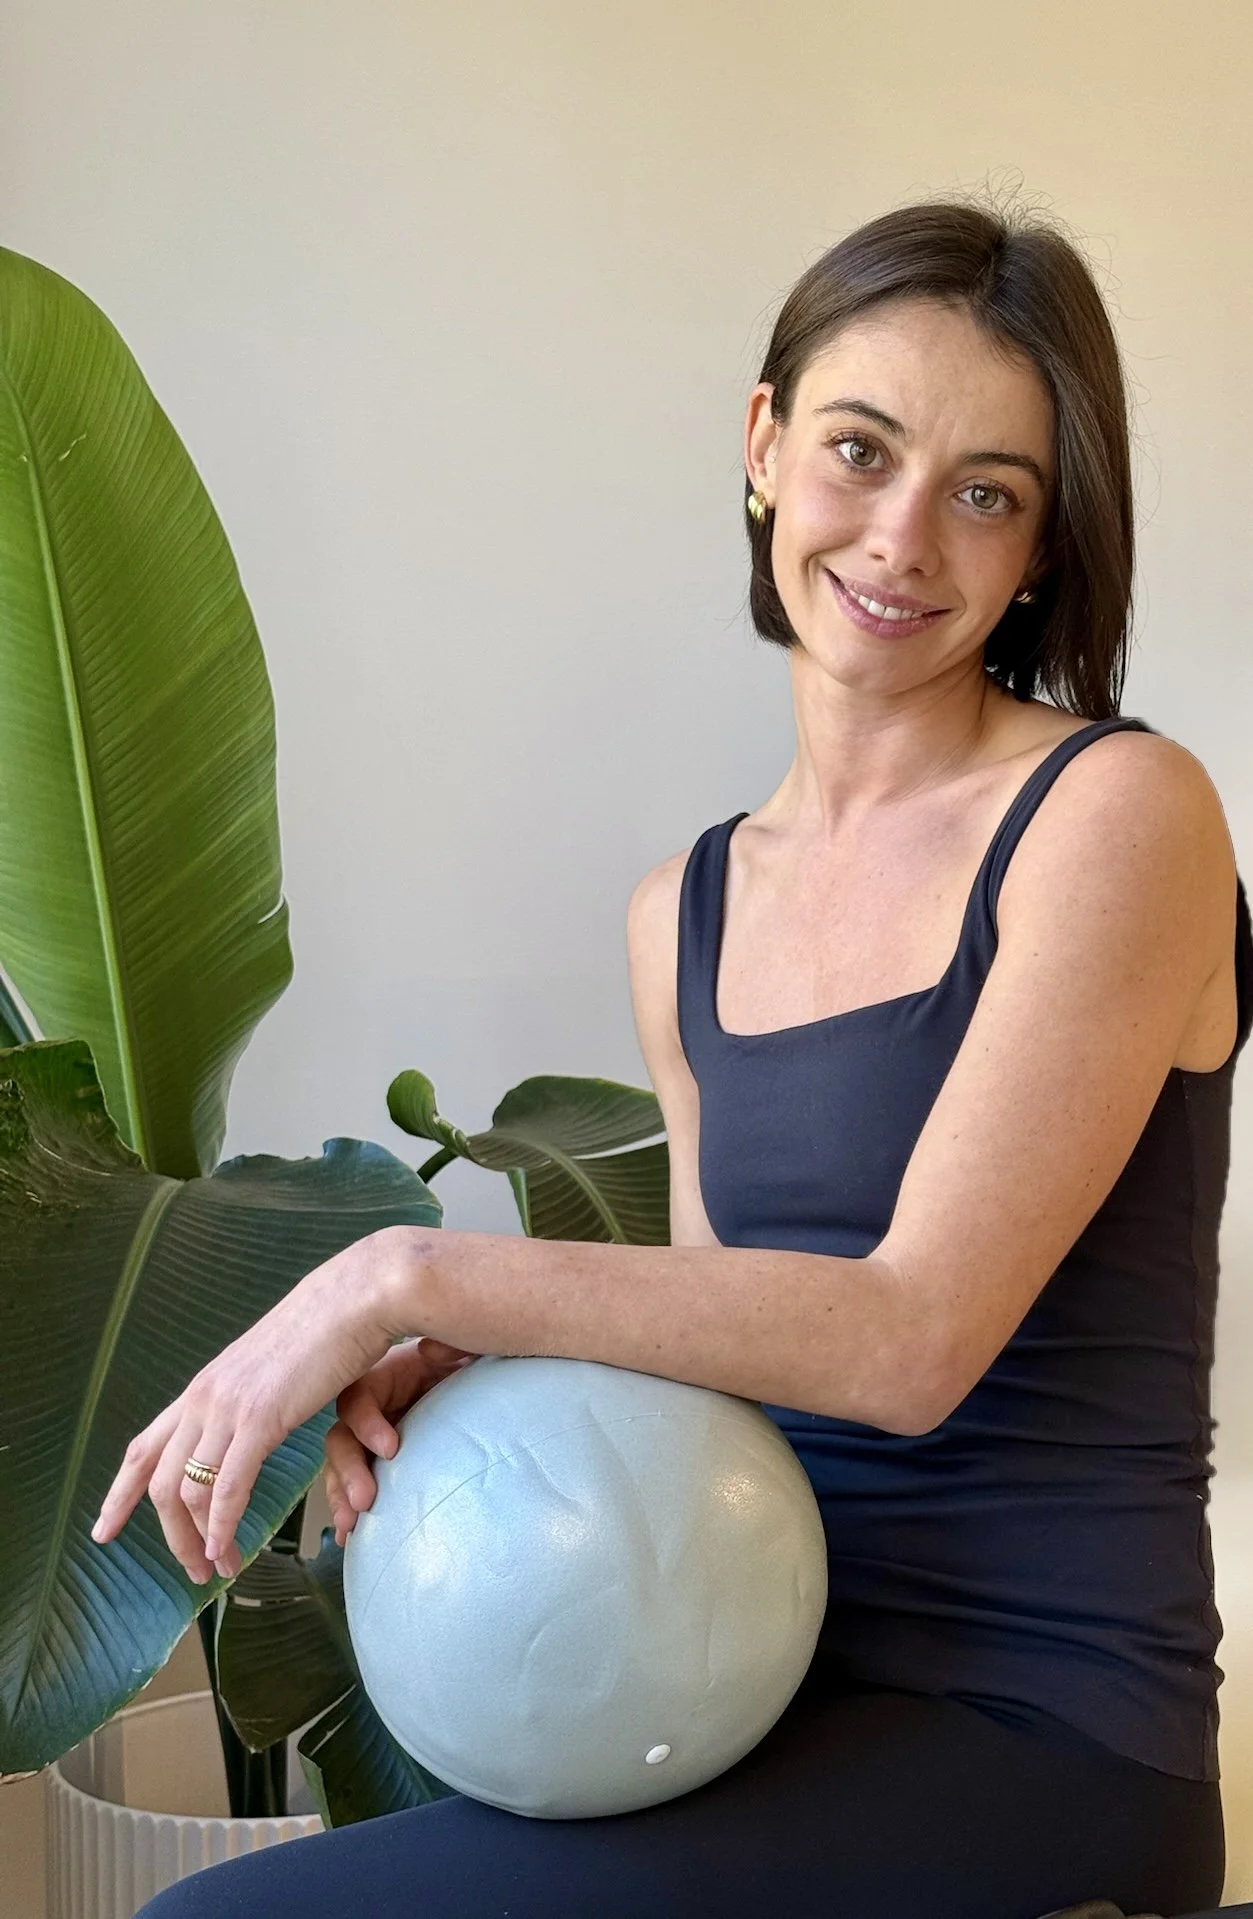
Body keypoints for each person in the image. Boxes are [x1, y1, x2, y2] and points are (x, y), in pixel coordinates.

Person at [98, 198, 1251, 1919]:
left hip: (1047, 1729)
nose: (904, 536)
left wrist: (415, 1268)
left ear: (1040, 545)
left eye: (987, 492)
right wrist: (475, 1368)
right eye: (859, 449)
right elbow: (749, 1367)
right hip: (739, 1690)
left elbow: (914, 1335)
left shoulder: (1117, 816)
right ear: (766, 444)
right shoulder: (687, 909)